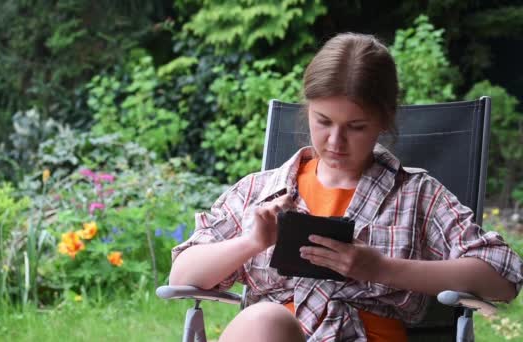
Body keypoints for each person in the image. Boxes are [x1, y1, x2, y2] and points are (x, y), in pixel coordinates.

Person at [168, 33, 523, 342]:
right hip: (274, 334)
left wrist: (381, 268)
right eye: (323, 121)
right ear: (307, 110)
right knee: (266, 320)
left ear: (384, 120)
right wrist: (252, 242)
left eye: (355, 126)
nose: (335, 141)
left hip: (368, 333)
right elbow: (182, 275)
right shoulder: (262, 190)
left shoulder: (416, 195)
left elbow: (502, 276)